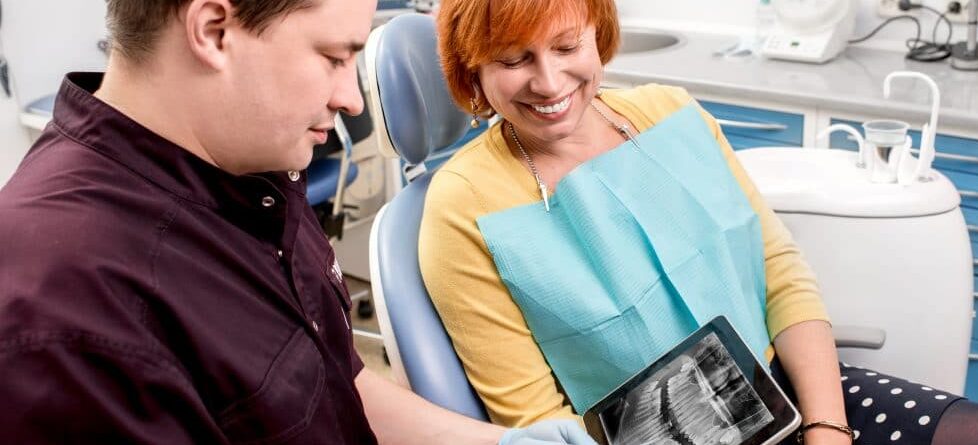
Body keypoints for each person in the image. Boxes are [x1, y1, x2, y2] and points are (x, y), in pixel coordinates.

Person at [418, 0, 978, 444]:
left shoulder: (670, 112)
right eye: (514, 59)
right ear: (472, 70)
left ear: (597, 36)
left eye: (567, 46)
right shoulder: (464, 208)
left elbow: (781, 275)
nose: (549, 82)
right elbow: (536, 424)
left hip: (792, 392)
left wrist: (827, 428)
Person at [0, 1, 597, 444]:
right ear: (213, 30)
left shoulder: (249, 167)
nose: (353, 99)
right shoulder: (64, 313)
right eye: (335, 58)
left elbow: (328, 384)